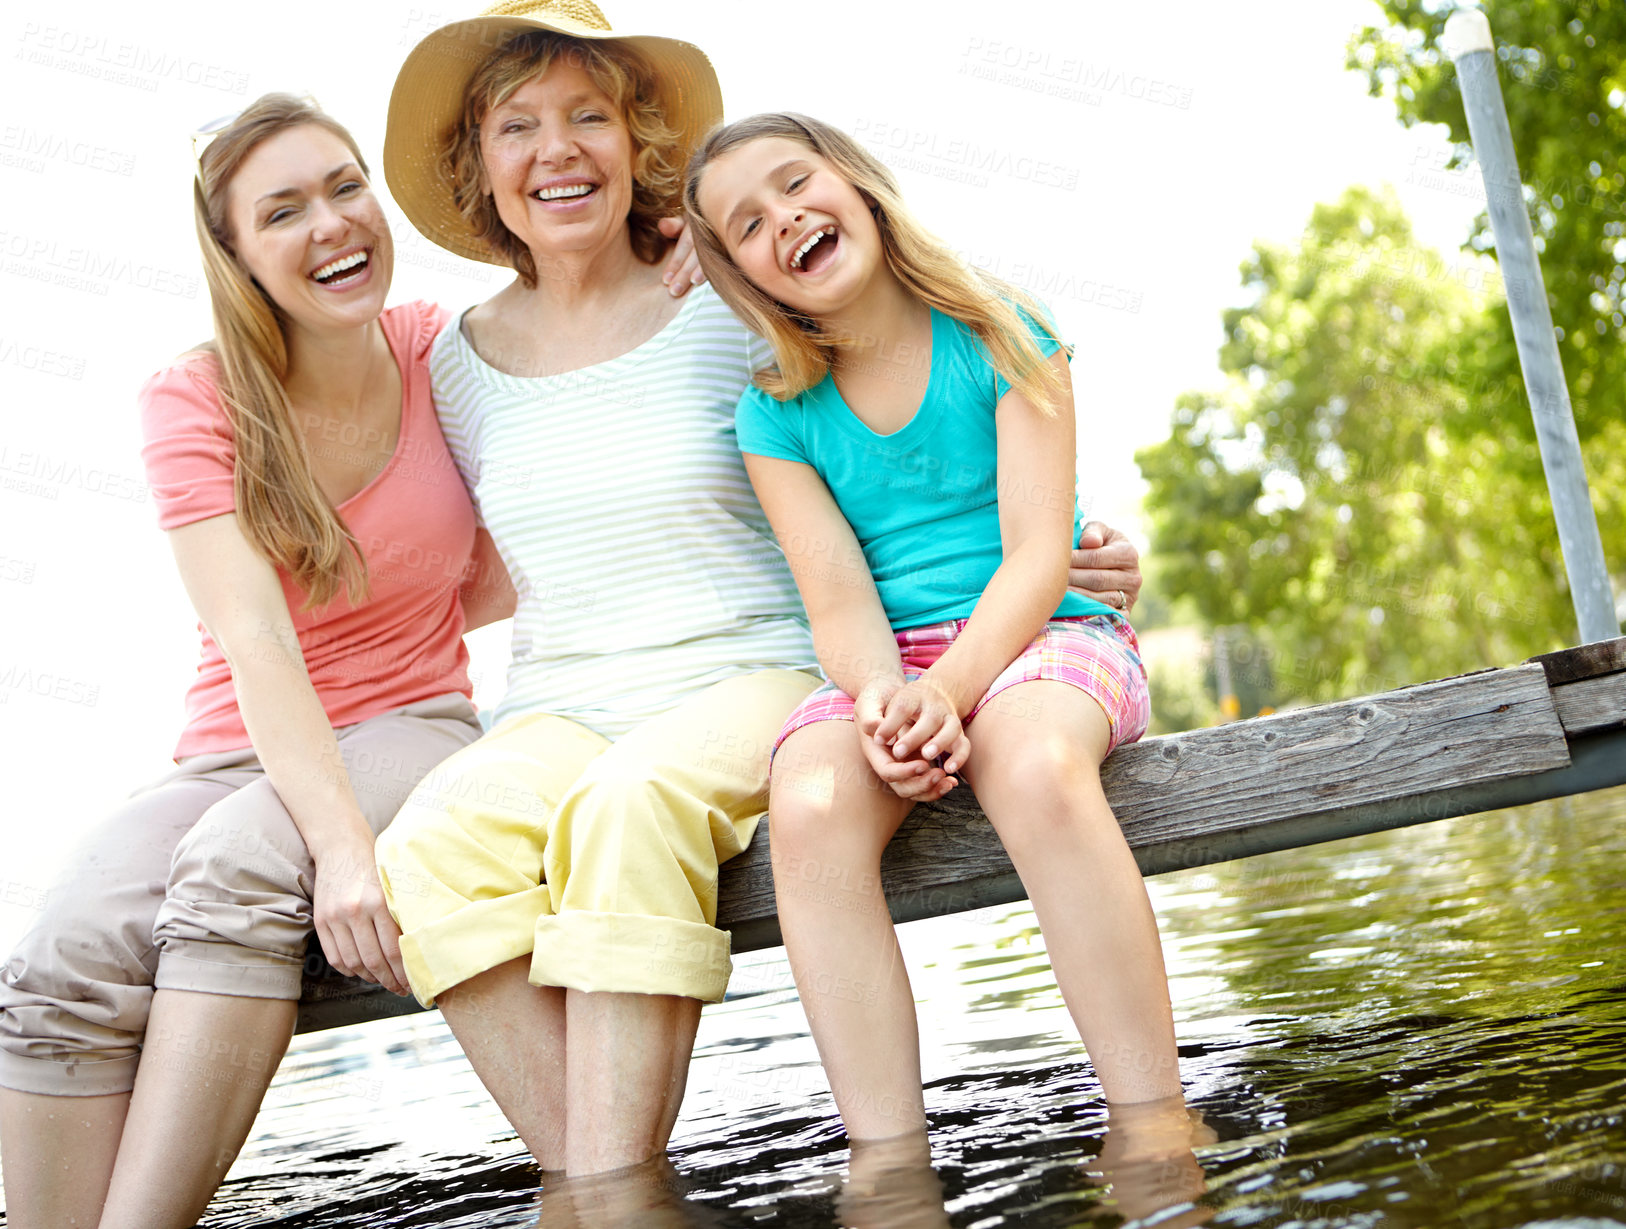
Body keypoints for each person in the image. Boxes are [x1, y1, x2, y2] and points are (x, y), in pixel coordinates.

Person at [374, 0, 1150, 1179]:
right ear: (479, 166)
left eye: (590, 115)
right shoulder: (448, 359)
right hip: (607, 692)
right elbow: (445, 557)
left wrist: (1075, 551)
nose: (557, 148)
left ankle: (619, 1190)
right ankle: (608, 1181)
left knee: (631, 806)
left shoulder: (731, 311)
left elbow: (932, 429)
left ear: (638, 141)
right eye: (518, 125)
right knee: (427, 842)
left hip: (761, 669)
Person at [0, 94, 512, 1229]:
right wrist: (334, 844)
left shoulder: (442, 350)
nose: (332, 223)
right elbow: (256, 639)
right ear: (234, 254)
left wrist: (671, 262)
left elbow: (559, 474)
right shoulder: (195, 396)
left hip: (412, 721)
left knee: (236, 865)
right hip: (236, 743)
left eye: (344, 186)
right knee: (57, 956)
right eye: (284, 210)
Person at [684, 112, 1190, 1143]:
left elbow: (1041, 555)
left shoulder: (1001, 328)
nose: (784, 219)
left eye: (795, 185)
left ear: (857, 187)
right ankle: (889, 1159)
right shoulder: (774, 413)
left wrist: (947, 693)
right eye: (746, 223)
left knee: (1033, 760)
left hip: (1046, 627)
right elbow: (838, 604)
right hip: (893, 663)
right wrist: (884, 704)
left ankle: (1152, 1116)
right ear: (743, 275)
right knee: (811, 802)